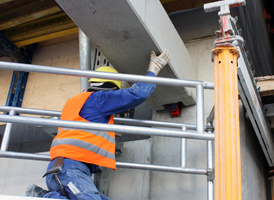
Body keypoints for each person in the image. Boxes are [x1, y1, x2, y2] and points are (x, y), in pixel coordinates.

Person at [26, 49, 170, 199]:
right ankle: (41, 197)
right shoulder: (98, 99)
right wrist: (153, 70)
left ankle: (43, 195)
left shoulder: (75, 102)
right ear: (109, 88)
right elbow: (137, 94)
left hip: (64, 169)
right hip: (70, 168)